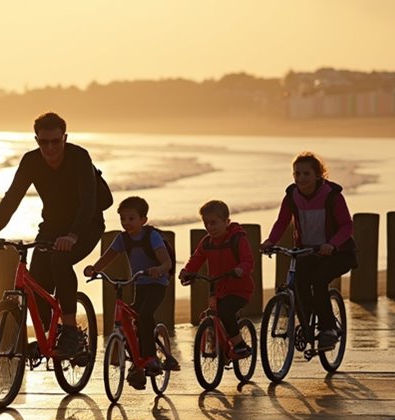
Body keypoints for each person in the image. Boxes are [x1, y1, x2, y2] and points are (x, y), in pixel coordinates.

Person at [0, 112, 105, 359]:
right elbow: (12, 198)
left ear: (65, 138)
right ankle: (50, 335)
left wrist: (73, 236)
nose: (50, 148)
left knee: (60, 260)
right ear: (36, 140)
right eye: (44, 142)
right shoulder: (31, 161)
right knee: (37, 283)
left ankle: (70, 330)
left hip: (86, 225)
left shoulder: (79, 157)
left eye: (55, 141)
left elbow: (89, 203)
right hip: (52, 227)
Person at [260, 151, 357, 351]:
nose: (301, 178)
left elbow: (347, 226)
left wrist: (332, 244)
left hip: (338, 253)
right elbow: (282, 222)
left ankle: (328, 329)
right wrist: (270, 241)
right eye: (297, 174)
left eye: (306, 174)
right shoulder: (292, 196)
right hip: (309, 253)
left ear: (318, 175)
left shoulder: (332, 196)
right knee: (299, 283)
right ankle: (307, 323)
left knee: (319, 281)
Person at [83, 196, 176, 390]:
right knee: (132, 319)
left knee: (144, 315)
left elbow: (167, 263)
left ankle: (151, 357)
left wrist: (158, 269)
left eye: (131, 218)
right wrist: (94, 269)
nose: (126, 223)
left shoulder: (152, 236)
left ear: (143, 219)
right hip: (139, 284)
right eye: (123, 219)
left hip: (157, 283)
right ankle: (137, 363)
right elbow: (108, 257)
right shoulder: (122, 239)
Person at [178, 199, 255, 358]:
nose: (209, 227)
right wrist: (187, 271)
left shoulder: (237, 239)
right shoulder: (207, 242)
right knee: (210, 314)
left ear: (227, 221)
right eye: (206, 223)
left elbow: (248, 261)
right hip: (218, 289)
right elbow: (196, 258)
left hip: (240, 289)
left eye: (214, 223)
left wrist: (240, 269)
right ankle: (217, 343)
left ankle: (239, 345)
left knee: (225, 311)